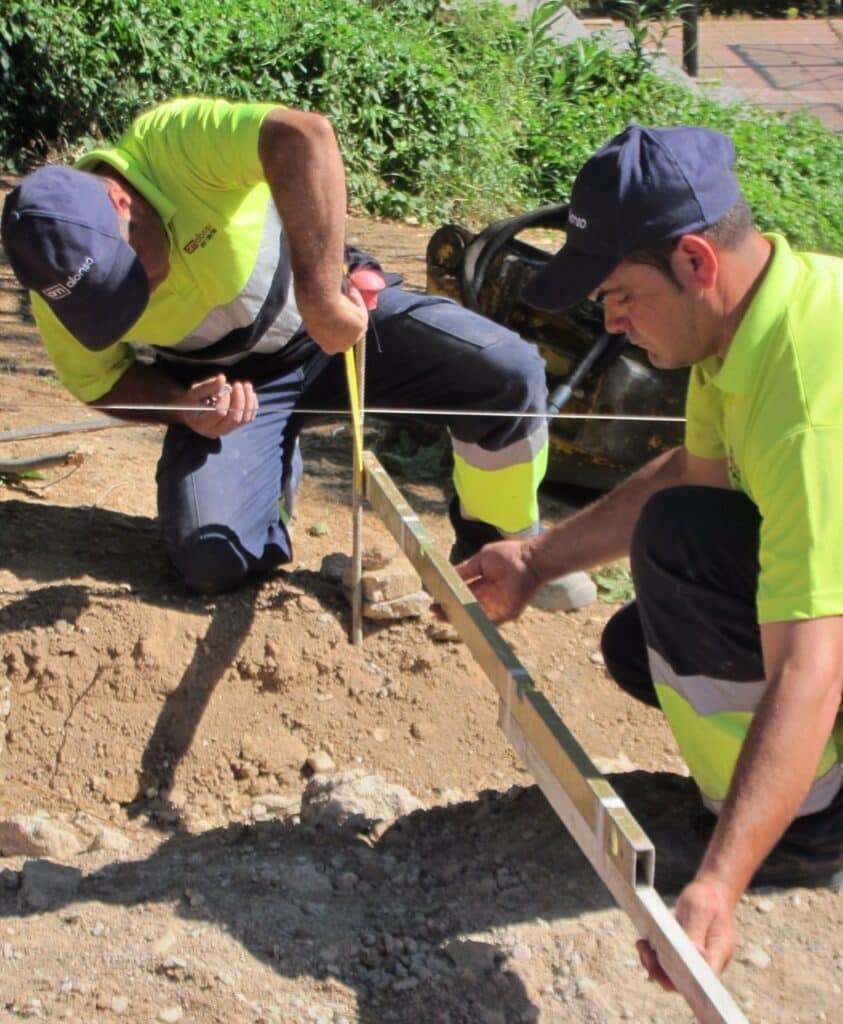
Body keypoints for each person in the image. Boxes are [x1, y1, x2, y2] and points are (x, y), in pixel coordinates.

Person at [456, 123, 843, 988]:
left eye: (620, 293)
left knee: (684, 552)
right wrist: (539, 557)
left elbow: (812, 668)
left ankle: (813, 831)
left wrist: (718, 883)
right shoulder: (752, 322)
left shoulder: (812, 403)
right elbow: (695, 470)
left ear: (696, 263)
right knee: (644, 639)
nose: (610, 320)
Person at [0, 95, 557, 594]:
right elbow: (100, 381)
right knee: (208, 560)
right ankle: (271, 481)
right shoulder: (60, 283)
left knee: (505, 373)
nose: (141, 295)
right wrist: (182, 408)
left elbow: (302, 136)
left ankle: (504, 553)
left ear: (122, 201)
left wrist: (320, 295)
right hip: (242, 392)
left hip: (339, 324)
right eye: (114, 298)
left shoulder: (172, 144)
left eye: (132, 270)